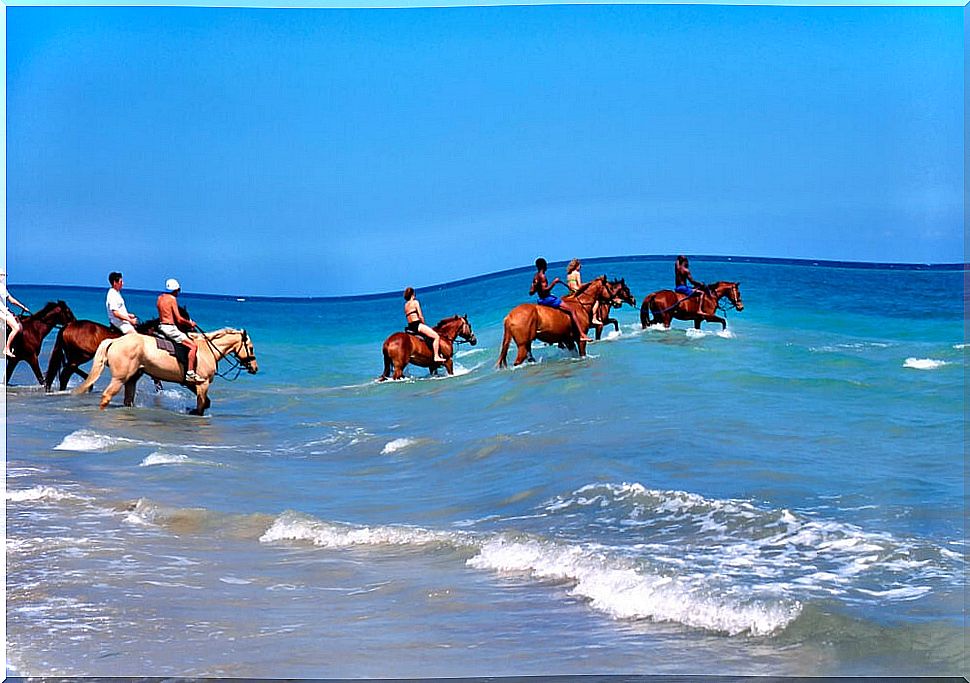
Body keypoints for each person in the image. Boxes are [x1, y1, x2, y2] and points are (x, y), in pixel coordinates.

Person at [530, 258, 590, 342]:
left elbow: (531, 292)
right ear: (544, 266)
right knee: (572, 310)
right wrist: (554, 282)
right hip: (548, 299)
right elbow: (545, 290)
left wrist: (536, 286)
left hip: (541, 300)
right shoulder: (542, 276)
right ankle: (582, 334)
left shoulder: (535, 276)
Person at [156, 278, 202, 383]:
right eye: (178, 290)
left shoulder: (159, 298)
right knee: (193, 346)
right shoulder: (172, 299)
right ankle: (190, 373)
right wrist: (190, 323)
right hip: (170, 328)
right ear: (175, 290)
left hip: (161, 326)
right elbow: (179, 319)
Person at [403, 287, 446, 363]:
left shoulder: (406, 305)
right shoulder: (415, 302)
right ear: (413, 294)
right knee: (436, 336)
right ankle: (436, 356)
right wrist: (424, 324)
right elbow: (420, 316)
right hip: (417, 325)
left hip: (410, 326)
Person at [1, 268, 30, 358]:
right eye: (2, 275)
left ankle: (13, 345)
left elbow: (11, 300)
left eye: (4, 275)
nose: (3, 277)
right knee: (16, 328)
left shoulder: (2, 287)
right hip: (1, 311)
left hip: (5, 310)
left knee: (19, 324)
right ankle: (6, 349)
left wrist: (23, 307)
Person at [565, 258, 602, 326]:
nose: (580, 268)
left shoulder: (569, 274)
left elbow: (569, 285)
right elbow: (579, 285)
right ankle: (594, 318)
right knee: (596, 301)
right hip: (577, 291)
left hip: (571, 292)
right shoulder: (577, 273)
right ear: (577, 266)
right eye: (580, 266)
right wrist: (589, 284)